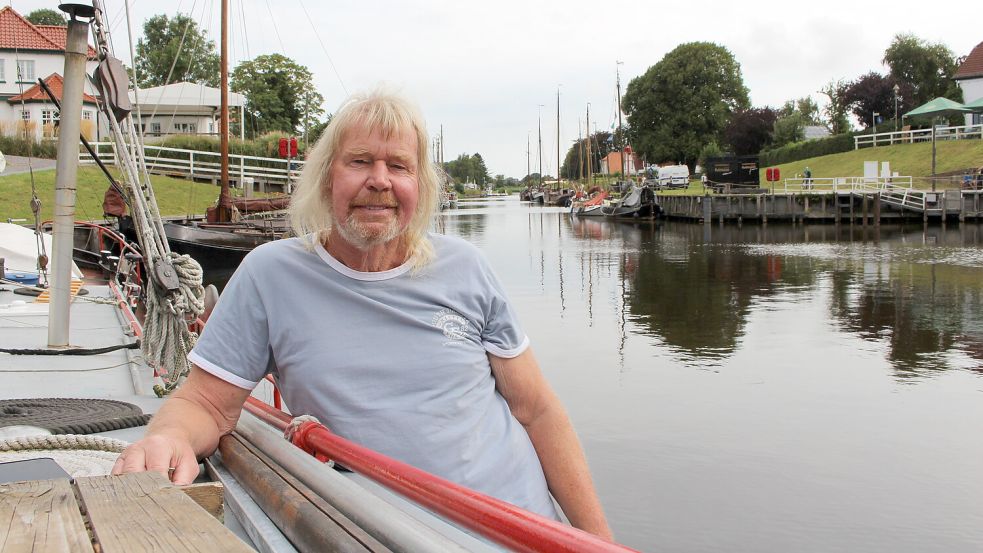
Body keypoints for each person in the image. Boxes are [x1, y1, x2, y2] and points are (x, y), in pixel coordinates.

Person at [113, 90, 613, 539]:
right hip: (382, 536)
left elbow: (536, 410)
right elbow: (206, 403)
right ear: (327, 175)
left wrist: (597, 541)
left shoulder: (467, 268)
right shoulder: (271, 276)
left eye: (399, 166)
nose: (380, 180)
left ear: (420, 185)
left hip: (524, 527)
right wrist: (168, 439)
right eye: (360, 162)